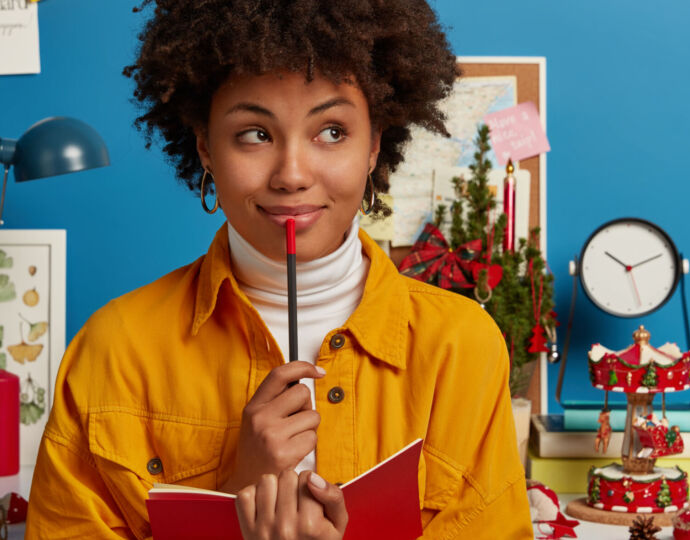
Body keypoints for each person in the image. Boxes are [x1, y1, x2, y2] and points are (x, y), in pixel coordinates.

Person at [27, 1, 533, 538]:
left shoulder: (461, 347)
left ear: (374, 148)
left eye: (332, 131)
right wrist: (232, 501)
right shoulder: (111, 352)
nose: (292, 175)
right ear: (205, 148)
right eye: (255, 134)